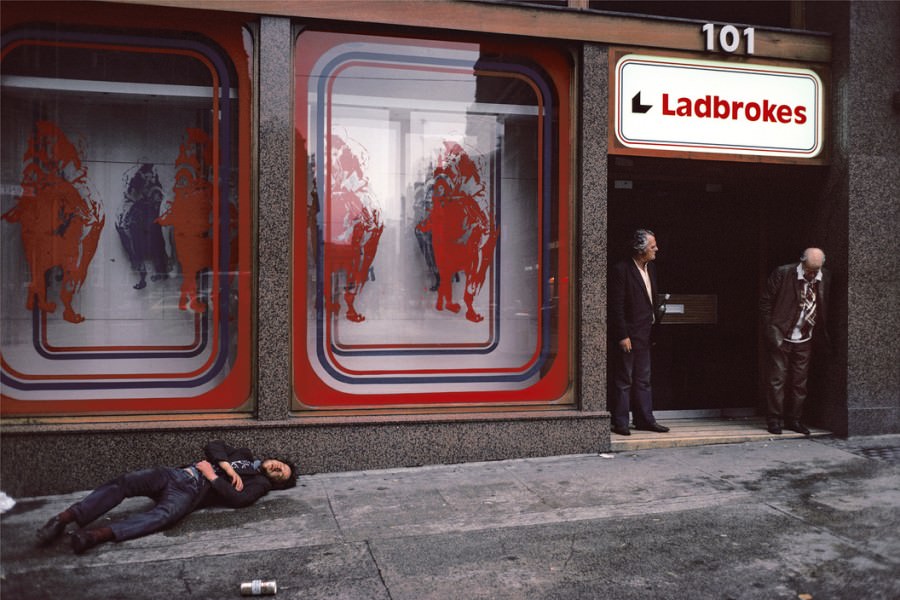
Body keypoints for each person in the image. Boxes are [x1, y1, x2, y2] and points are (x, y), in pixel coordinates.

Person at [35, 440, 297, 554]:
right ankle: (64, 518)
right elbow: (213, 446)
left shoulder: (259, 484)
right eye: (279, 465)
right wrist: (226, 466)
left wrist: (212, 476)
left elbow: (238, 499)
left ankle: (95, 536)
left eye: (280, 475)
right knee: (127, 481)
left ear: (275, 483)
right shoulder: (244, 455)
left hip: (189, 492)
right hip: (174, 475)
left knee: (165, 515)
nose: (276, 469)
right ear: (275, 458)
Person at [759, 248, 830, 436]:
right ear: (801, 261)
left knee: (800, 382)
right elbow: (765, 303)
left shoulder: (824, 277)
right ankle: (774, 420)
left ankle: (795, 420)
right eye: (809, 270)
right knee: (777, 379)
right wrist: (771, 331)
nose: (812, 274)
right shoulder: (783, 273)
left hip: (805, 336)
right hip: (781, 335)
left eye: (816, 270)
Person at [608, 229, 669, 436]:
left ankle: (644, 419)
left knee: (644, 378)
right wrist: (622, 335)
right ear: (641, 249)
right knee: (624, 379)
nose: (656, 250)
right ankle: (621, 422)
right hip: (629, 334)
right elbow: (616, 306)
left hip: (646, 332)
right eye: (653, 247)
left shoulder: (650, 269)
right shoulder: (621, 270)